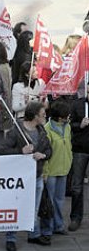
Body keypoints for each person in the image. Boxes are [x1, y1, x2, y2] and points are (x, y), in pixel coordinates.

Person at [0, 101, 52, 251]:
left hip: (36, 176)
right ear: (35, 116)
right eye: (43, 114)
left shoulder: (41, 130)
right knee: (15, 207)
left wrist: (43, 155)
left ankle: (33, 234)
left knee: (33, 208)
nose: (45, 116)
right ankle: (11, 238)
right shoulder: (16, 131)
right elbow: (1, 150)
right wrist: (20, 151)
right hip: (19, 179)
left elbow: (49, 150)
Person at [41, 100, 72, 237]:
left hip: (64, 168)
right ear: (60, 117)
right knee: (50, 201)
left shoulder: (68, 127)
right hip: (52, 171)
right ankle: (49, 226)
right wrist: (45, 172)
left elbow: (69, 144)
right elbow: (46, 152)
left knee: (60, 200)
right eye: (67, 115)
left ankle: (58, 225)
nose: (69, 117)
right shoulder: (47, 129)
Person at [68, 83, 89, 232]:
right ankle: (75, 217)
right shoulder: (78, 104)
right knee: (76, 186)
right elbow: (69, 124)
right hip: (80, 149)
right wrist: (79, 125)